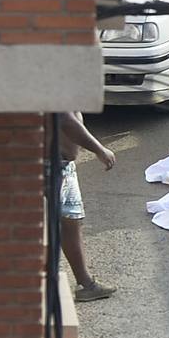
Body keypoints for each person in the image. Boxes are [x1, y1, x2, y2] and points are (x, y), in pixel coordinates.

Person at [57, 112, 117, 302]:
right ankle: (45, 292)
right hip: (49, 168)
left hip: (66, 168)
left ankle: (86, 284)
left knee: (71, 222)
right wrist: (99, 149)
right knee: (46, 232)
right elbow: (63, 117)